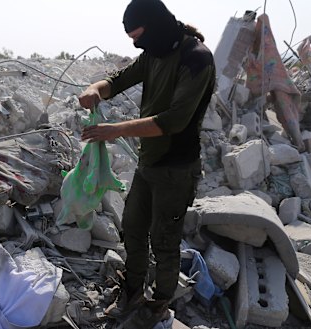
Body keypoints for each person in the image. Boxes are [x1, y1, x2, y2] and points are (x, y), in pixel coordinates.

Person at [79, 0, 215, 326]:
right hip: (148, 163)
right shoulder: (153, 52)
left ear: (156, 26)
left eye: (139, 36)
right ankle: (132, 291)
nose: (138, 44)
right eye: (132, 39)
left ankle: (158, 305)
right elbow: (119, 79)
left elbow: (173, 121)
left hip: (176, 169)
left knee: (165, 241)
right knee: (134, 231)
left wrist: (113, 131)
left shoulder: (196, 59)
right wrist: (94, 89)